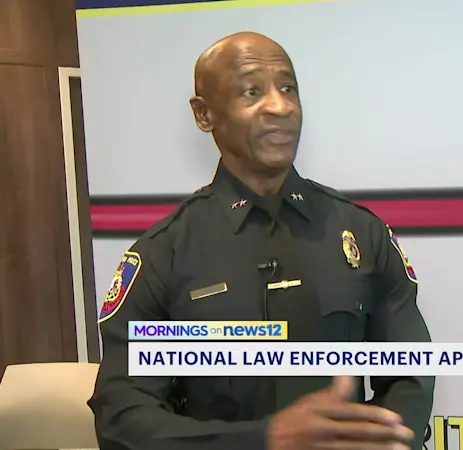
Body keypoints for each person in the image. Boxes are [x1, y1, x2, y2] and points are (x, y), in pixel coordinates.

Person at [89, 31, 435, 450]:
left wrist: (380, 440)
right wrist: (264, 440)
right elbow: (123, 416)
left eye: (288, 89)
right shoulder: (166, 253)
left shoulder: (361, 233)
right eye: (252, 92)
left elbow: (410, 374)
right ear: (204, 114)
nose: (280, 107)